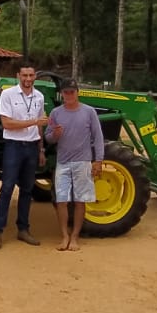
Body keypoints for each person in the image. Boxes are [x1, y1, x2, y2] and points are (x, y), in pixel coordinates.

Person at [0, 61, 48, 249]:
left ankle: (23, 230)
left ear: (35, 77)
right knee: (7, 188)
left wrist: (41, 149)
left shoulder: (39, 97)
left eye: (31, 76)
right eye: (24, 75)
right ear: (18, 76)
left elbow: (40, 126)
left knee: (27, 190)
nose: (28, 79)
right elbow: (7, 124)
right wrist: (34, 121)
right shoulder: (7, 95)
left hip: (31, 148)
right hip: (14, 147)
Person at [43, 78, 104, 252]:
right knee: (61, 201)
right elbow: (48, 138)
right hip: (63, 162)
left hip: (83, 162)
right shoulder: (56, 113)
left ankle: (75, 237)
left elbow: (98, 137)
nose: (69, 95)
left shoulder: (89, 112)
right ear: (61, 94)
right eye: (66, 92)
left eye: (72, 91)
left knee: (79, 201)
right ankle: (64, 236)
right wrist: (55, 134)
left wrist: (98, 160)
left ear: (77, 92)